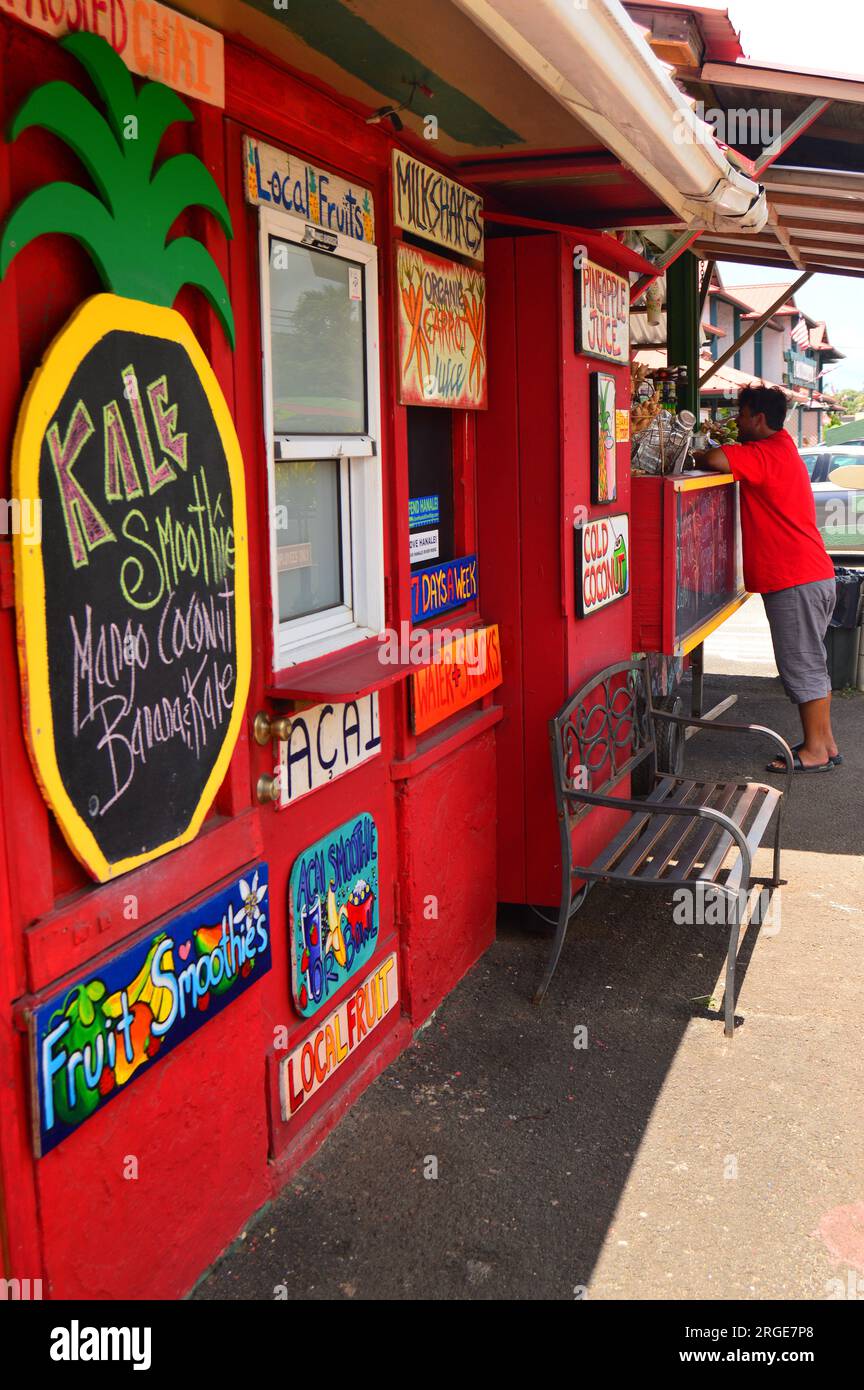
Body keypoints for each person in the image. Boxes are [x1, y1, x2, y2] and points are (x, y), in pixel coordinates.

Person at [693, 384, 839, 773]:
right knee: (812, 661)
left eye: (741, 414)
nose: (737, 421)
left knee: (802, 664)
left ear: (758, 418)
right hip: (809, 574)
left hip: (795, 579)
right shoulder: (782, 448)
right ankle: (824, 743)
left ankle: (815, 751)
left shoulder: (766, 453)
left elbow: (715, 458)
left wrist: (699, 451)